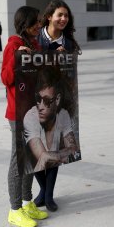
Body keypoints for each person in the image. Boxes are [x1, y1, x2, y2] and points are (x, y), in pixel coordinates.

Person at [1, 6, 48, 227]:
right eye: (35, 23)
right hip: (18, 113)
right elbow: (6, 78)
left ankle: (27, 201)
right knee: (18, 161)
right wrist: (17, 56)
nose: (39, 26)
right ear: (24, 25)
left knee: (31, 159)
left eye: (39, 22)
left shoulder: (36, 44)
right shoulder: (13, 45)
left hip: (34, 111)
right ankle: (14, 209)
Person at [33, 0, 82, 212]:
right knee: (33, 149)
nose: (63, 19)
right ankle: (43, 191)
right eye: (59, 15)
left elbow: (70, 75)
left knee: (55, 147)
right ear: (49, 16)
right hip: (33, 101)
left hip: (58, 101)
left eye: (66, 16)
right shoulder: (35, 38)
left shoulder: (69, 43)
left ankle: (49, 196)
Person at [23, 66, 80, 211]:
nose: (41, 106)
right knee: (43, 157)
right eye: (38, 99)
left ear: (58, 100)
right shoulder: (30, 117)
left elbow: (73, 149)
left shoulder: (63, 115)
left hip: (53, 154)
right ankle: (46, 193)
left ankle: (47, 195)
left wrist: (53, 154)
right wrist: (58, 153)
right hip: (35, 162)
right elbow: (41, 157)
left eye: (47, 101)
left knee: (53, 153)